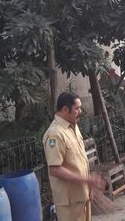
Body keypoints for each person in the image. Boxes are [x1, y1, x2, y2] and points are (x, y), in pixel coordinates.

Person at [43, 92, 105, 221]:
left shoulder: (73, 127)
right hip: (69, 203)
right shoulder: (55, 134)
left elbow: (78, 161)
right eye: (77, 108)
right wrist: (86, 180)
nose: (80, 111)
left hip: (83, 197)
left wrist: (89, 185)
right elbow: (55, 169)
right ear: (66, 109)